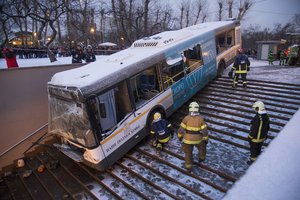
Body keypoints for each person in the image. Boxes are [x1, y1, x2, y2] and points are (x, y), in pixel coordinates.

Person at [177, 102, 208, 171]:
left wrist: (179, 136)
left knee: (188, 153)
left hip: (187, 139)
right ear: (197, 109)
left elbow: (181, 129)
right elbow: (205, 131)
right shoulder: (201, 119)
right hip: (198, 139)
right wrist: (206, 139)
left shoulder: (186, 118)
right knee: (202, 148)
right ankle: (201, 158)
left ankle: (188, 166)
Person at [247, 101, 270, 165]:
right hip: (262, 137)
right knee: (259, 148)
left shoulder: (258, 118)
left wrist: (250, 137)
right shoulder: (266, 116)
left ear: (258, 108)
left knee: (253, 150)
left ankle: (253, 161)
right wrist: (265, 135)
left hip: (255, 138)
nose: (255, 109)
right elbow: (268, 127)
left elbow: (254, 129)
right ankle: (258, 159)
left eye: (255, 108)